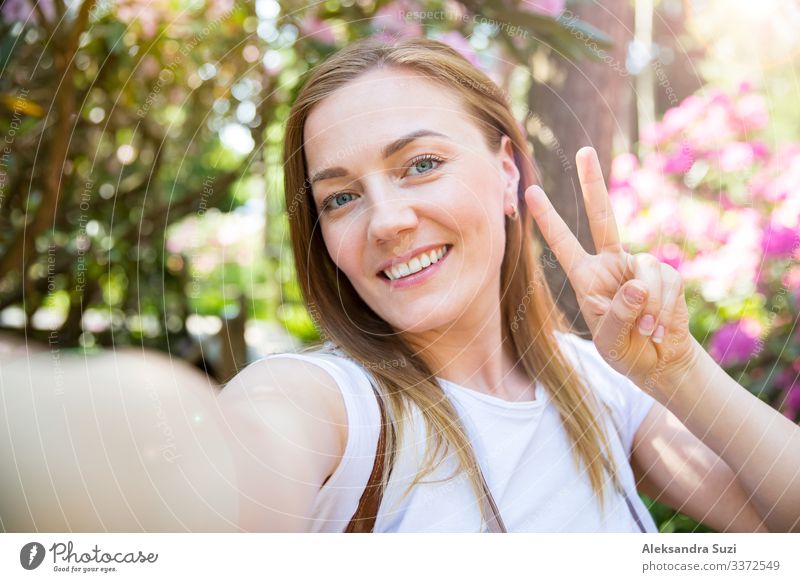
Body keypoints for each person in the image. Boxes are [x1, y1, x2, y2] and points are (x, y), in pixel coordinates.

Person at [217, 36, 800, 533]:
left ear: (506, 173)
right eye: (340, 198)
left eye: (420, 164)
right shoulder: (329, 406)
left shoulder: (598, 381)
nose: (387, 221)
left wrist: (676, 374)